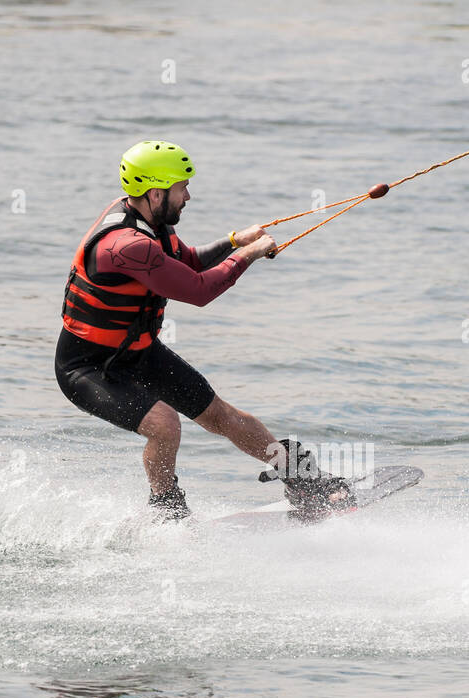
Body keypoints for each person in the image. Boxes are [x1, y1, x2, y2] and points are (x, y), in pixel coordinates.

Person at [55, 139, 353, 521]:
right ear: (156, 191)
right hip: (87, 366)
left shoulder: (151, 225)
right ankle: (167, 510)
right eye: (182, 187)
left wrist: (233, 242)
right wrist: (249, 255)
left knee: (220, 415)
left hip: (138, 353)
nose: (189, 196)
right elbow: (199, 291)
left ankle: (300, 478)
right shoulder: (126, 244)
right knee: (164, 425)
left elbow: (190, 261)